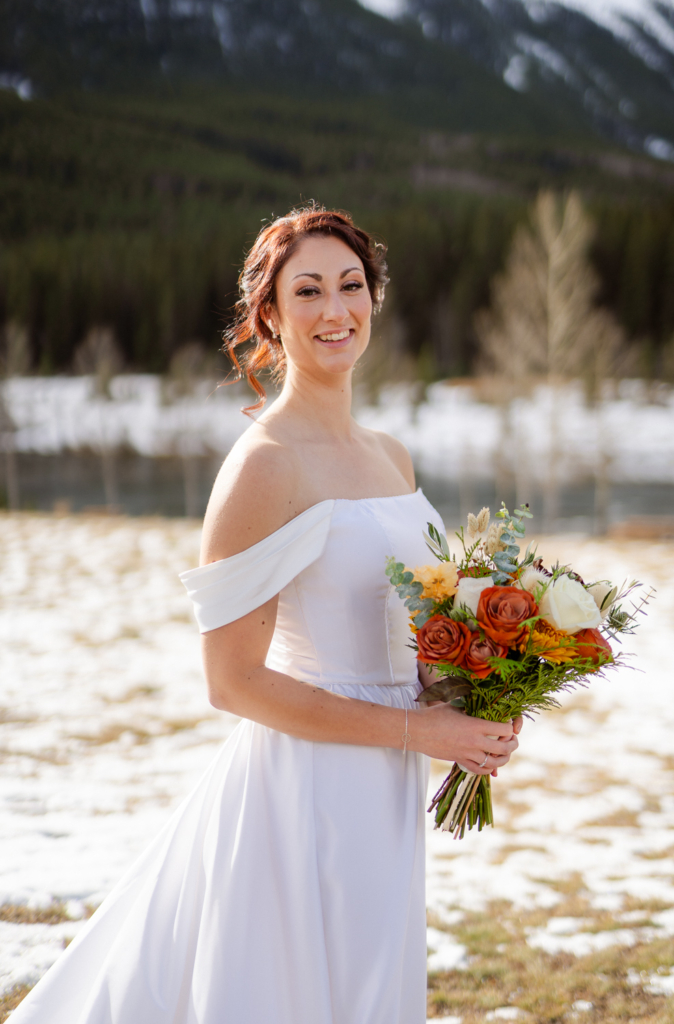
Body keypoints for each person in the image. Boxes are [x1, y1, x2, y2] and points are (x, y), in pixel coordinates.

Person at [10, 206, 521, 1024]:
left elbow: (414, 625)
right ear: (272, 316)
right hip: (303, 792)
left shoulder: (392, 456)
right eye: (308, 291)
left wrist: (467, 700)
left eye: (350, 286)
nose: (334, 310)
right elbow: (232, 682)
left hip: (389, 785)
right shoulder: (262, 467)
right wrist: (415, 733)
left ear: (374, 298)